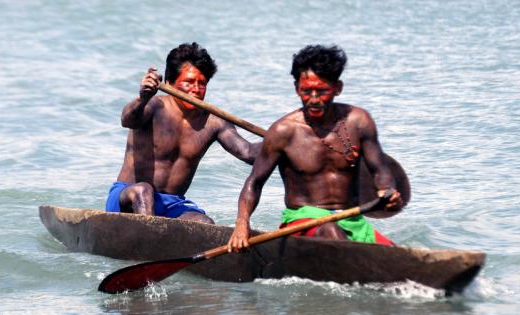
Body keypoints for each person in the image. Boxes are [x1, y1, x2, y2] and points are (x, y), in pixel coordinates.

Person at [227, 44, 403, 252]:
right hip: (302, 221)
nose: (314, 99)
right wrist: (241, 222)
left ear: (338, 88)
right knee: (330, 231)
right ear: (296, 89)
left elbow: (381, 170)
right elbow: (255, 182)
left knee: (398, 254)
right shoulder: (283, 131)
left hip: (352, 220)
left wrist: (387, 191)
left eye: (322, 91)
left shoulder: (359, 122)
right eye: (306, 91)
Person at [106, 42, 261, 224]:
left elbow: (249, 153)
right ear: (170, 83)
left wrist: (282, 141)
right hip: (129, 195)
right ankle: (149, 246)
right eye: (188, 82)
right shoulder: (154, 106)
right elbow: (127, 120)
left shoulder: (213, 122)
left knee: (205, 223)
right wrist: (142, 98)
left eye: (201, 84)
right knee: (144, 191)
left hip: (171, 204)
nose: (195, 90)